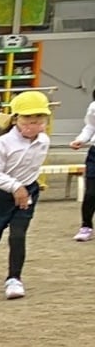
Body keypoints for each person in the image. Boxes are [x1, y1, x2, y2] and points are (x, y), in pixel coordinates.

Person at [0, 90, 51, 299]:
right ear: (16, 119)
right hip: (0, 194)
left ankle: (14, 279)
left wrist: (25, 189)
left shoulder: (44, 141)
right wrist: (15, 186)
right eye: (27, 118)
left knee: (18, 234)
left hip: (27, 192)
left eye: (38, 119)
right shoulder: (2, 143)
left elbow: (33, 169)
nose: (33, 124)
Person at [72, 97, 95, 242]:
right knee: (91, 193)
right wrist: (81, 139)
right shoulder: (94, 107)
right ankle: (86, 226)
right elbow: (91, 127)